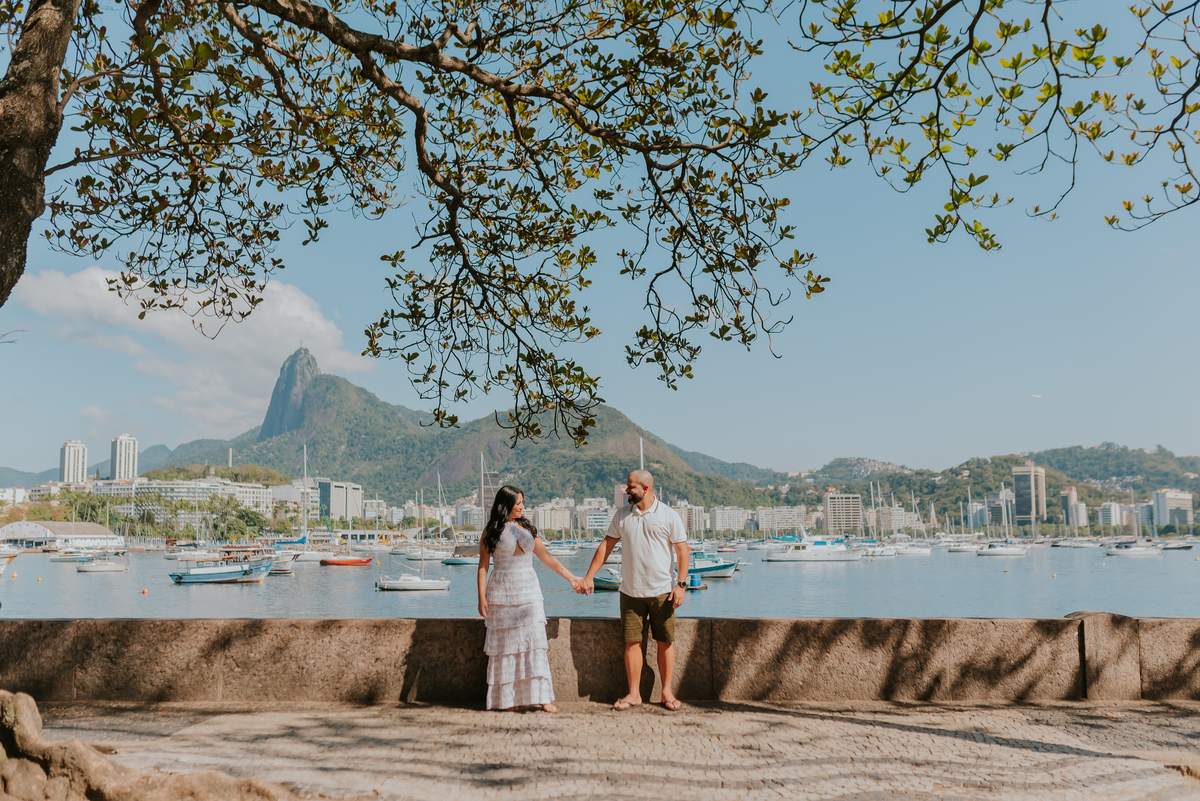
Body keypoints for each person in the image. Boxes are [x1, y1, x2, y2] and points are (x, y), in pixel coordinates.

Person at [577, 470, 689, 710]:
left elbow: (682, 550)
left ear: (646, 489)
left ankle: (667, 692)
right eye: (626, 487)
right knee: (631, 644)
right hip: (630, 591)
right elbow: (606, 546)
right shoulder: (621, 515)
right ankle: (634, 694)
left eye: (630, 488)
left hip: (662, 592)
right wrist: (589, 576)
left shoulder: (669, 515)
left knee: (665, 642)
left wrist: (680, 585)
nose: (626, 491)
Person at [477, 485, 581, 712]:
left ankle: (543, 697)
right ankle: (507, 700)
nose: (522, 506)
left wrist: (572, 578)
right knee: (505, 647)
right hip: (502, 593)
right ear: (506, 505)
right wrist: (481, 597)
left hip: (529, 591)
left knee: (534, 644)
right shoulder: (490, 530)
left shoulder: (526, 528)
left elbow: (547, 558)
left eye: (523, 502)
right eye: (518, 503)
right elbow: (483, 566)